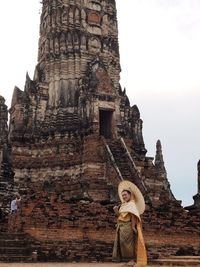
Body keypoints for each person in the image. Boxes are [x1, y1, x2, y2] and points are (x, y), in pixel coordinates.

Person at [112, 180, 147, 267]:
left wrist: (133, 227)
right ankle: (125, 260)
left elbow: (133, 216)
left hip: (128, 226)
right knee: (122, 244)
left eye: (125, 195)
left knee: (128, 244)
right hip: (121, 226)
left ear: (130, 195)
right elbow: (120, 216)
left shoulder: (132, 204)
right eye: (122, 195)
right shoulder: (123, 204)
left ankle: (131, 260)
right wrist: (116, 210)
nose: (124, 197)